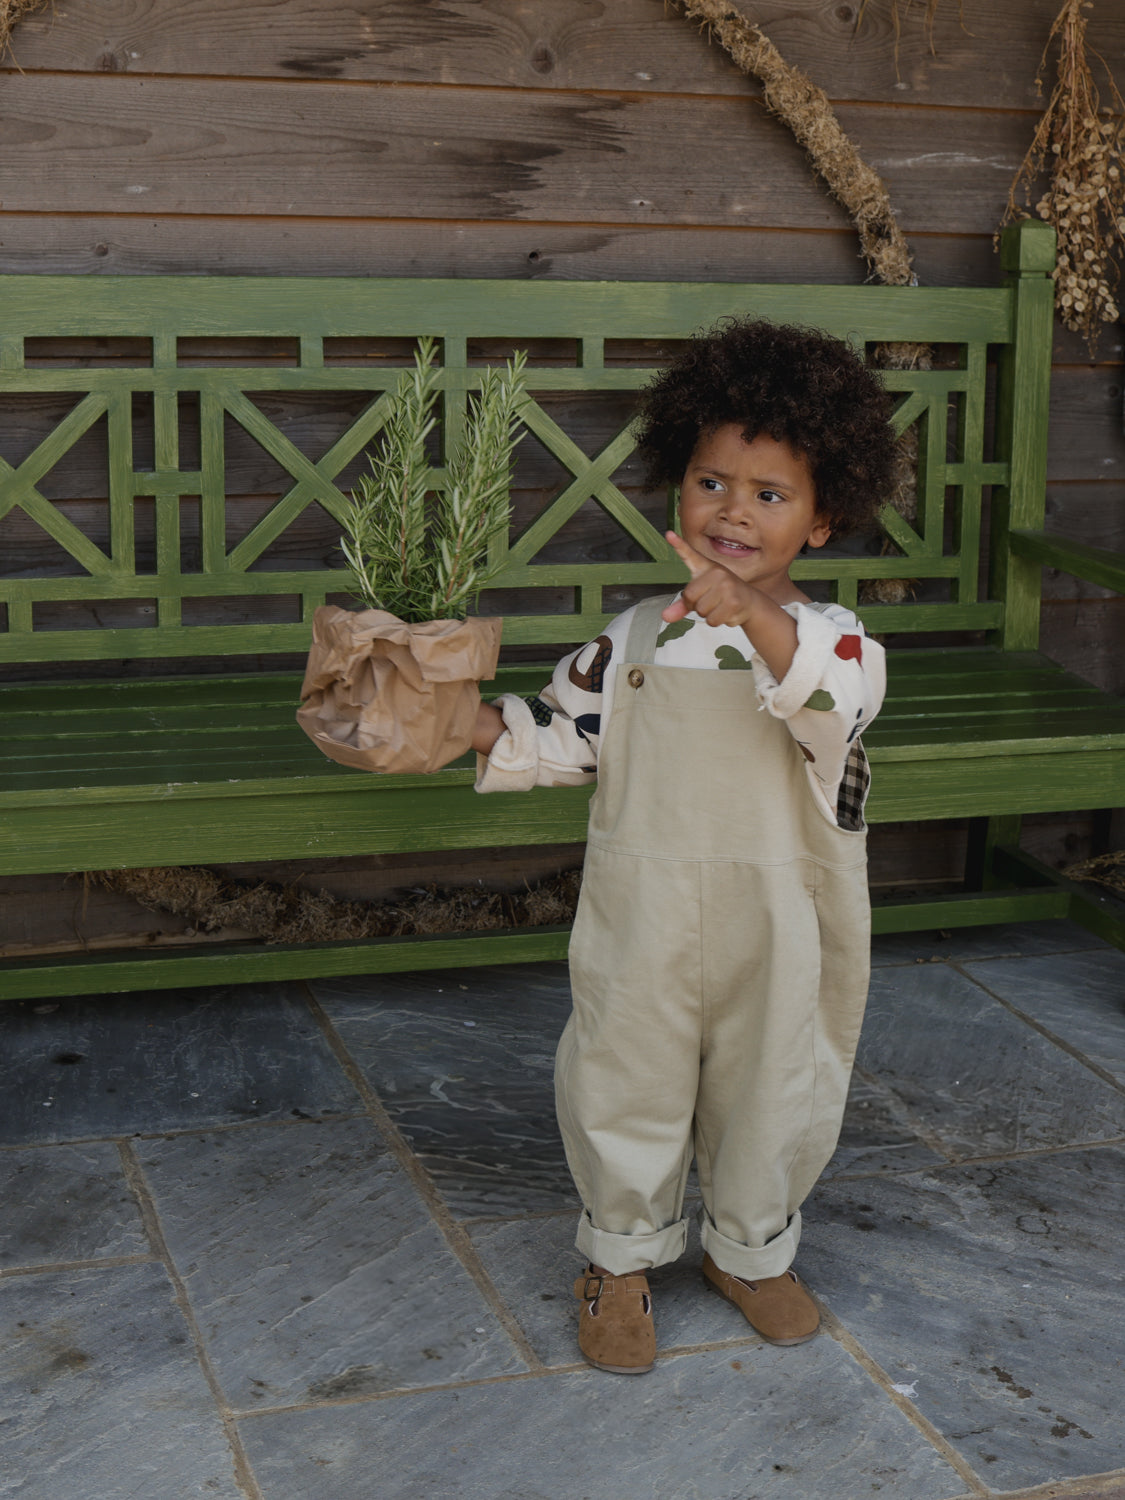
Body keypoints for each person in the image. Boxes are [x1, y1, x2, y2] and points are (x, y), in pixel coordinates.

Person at [471, 317, 897, 1375]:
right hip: (644, 909)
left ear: (825, 517)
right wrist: (462, 725)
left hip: (782, 915)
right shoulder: (632, 640)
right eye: (713, 483)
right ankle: (617, 1257)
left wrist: (750, 612)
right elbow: (565, 738)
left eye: (769, 495)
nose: (733, 513)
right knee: (625, 1074)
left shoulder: (836, 643)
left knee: (776, 1081)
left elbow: (828, 703)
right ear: (677, 487)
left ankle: (750, 1248)